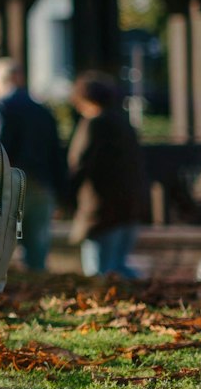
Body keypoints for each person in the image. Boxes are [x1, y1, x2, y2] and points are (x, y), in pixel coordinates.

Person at [65, 71, 151, 278]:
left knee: (98, 272)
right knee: (119, 267)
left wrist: (65, 198)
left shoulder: (94, 124)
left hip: (101, 211)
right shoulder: (124, 123)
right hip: (129, 207)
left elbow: (79, 164)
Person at [0, 58, 64, 273]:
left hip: (10, 185)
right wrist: (60, 191)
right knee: (37, 254)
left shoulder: (0, 106)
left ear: (1, 81)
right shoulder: (43, 110)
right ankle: (40, 297)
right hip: (41, 185)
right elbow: (56, 153)